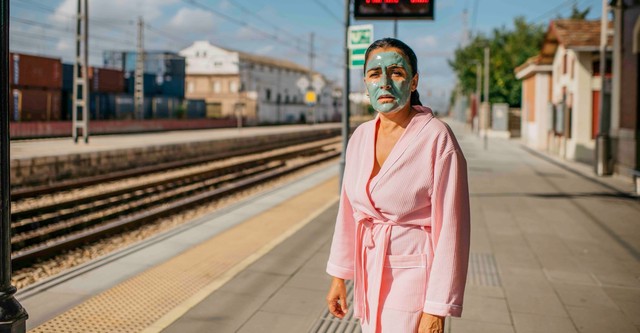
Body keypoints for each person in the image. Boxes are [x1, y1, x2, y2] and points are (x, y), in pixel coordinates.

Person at [325, 38, 471, 333]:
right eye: (375, 74)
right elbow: (348, 211)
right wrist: (340, 276)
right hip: (370, 272)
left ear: (414, 81)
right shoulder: (360, 137)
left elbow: (453, 230)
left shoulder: (437, 138)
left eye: (397, 73)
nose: (385, 83)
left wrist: (436, 308)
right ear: (365, 82)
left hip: (415, 277)